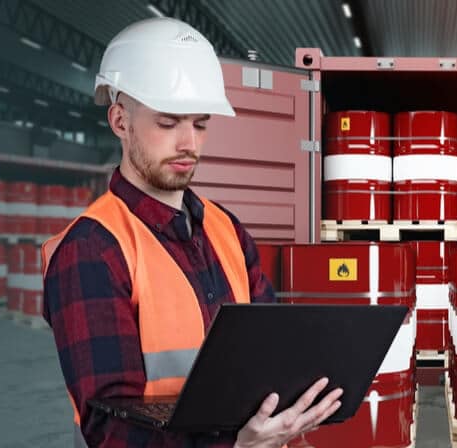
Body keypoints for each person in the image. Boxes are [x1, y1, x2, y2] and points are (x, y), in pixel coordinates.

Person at [41, 17, 342, 448]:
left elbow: (271, 356)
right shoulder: (92, 249)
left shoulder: (227, 231)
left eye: (200, 123)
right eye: (168, 123)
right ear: (120, 121)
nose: (190, 143)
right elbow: (112, 432)